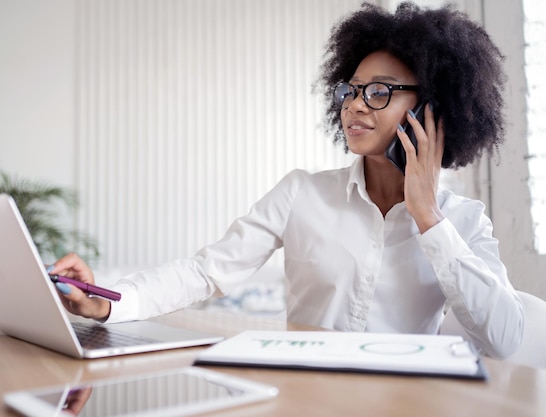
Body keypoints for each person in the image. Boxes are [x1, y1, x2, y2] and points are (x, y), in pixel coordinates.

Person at [48, 2, 524, 359]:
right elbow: (207, 271)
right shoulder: (302, 192)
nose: (355, 105)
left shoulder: (463, 221)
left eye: (379, 92)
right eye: (350, 90)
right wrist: (109, 303)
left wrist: (428, 217)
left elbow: (503, 340)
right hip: (306, 396)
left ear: (432, 106)